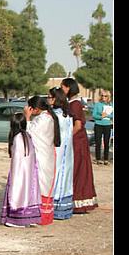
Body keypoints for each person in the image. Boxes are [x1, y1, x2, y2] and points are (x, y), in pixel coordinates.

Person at [61, 77, 98, 213]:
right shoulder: (70, 103)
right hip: (75, 142)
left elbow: (77, 125)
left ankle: (79, 203)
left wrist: (66, 137)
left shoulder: (75, 104)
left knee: (78, 171)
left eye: (63, 87)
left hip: (77, 142)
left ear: (68, 87)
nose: (61, 90)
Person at [23, 96, 60, 226]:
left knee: (40, 184)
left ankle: (39, 215)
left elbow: (30, 133)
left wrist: (27, 117)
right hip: (46, 155)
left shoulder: (43, 119)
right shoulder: (47, 117)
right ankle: (42, 214)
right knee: (43, 184)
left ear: (36, 108)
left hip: (42, 157)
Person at [0, 112, 41, 228]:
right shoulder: (28, 136)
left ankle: (16, 219)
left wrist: (13, 178)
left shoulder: (17, 139)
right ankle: (30, 218)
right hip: (30, 173)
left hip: (20, 173)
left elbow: (16, 161)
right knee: (29, 193)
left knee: (18, 193)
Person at [48, 87, 74, 220]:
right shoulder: (67, 115)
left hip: (57, 151)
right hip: (66, 153)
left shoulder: (55, 116)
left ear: (55, 99)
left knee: (55, 175)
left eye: (50, 97)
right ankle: (61, 208)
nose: (48, 99)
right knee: (64, 176)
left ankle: (52, 207)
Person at [92, 90, 113, 165]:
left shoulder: (111, 105)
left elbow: (112, 115)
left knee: (106, 142)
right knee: (98, 142)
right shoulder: (97, 104)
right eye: (102, 96)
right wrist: (101, 116)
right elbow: (94, 115)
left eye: (105, 96)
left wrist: (106, 115)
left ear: (108, 97)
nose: (103, 97)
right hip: (98, 125)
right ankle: (98, 159)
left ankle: (106, 159)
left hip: (107, 125)